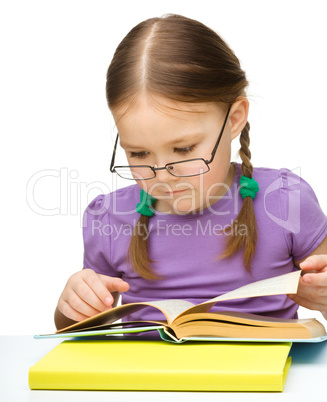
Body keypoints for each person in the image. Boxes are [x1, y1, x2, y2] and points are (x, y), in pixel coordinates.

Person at [55, 14, 327, 332]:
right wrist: (74, 306)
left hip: (263, 379)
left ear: (234, 119)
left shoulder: (284, 200)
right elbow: (80, 329)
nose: (163, 176)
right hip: (144, 380)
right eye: (138, 153)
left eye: (184, 150)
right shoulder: (108, 218)